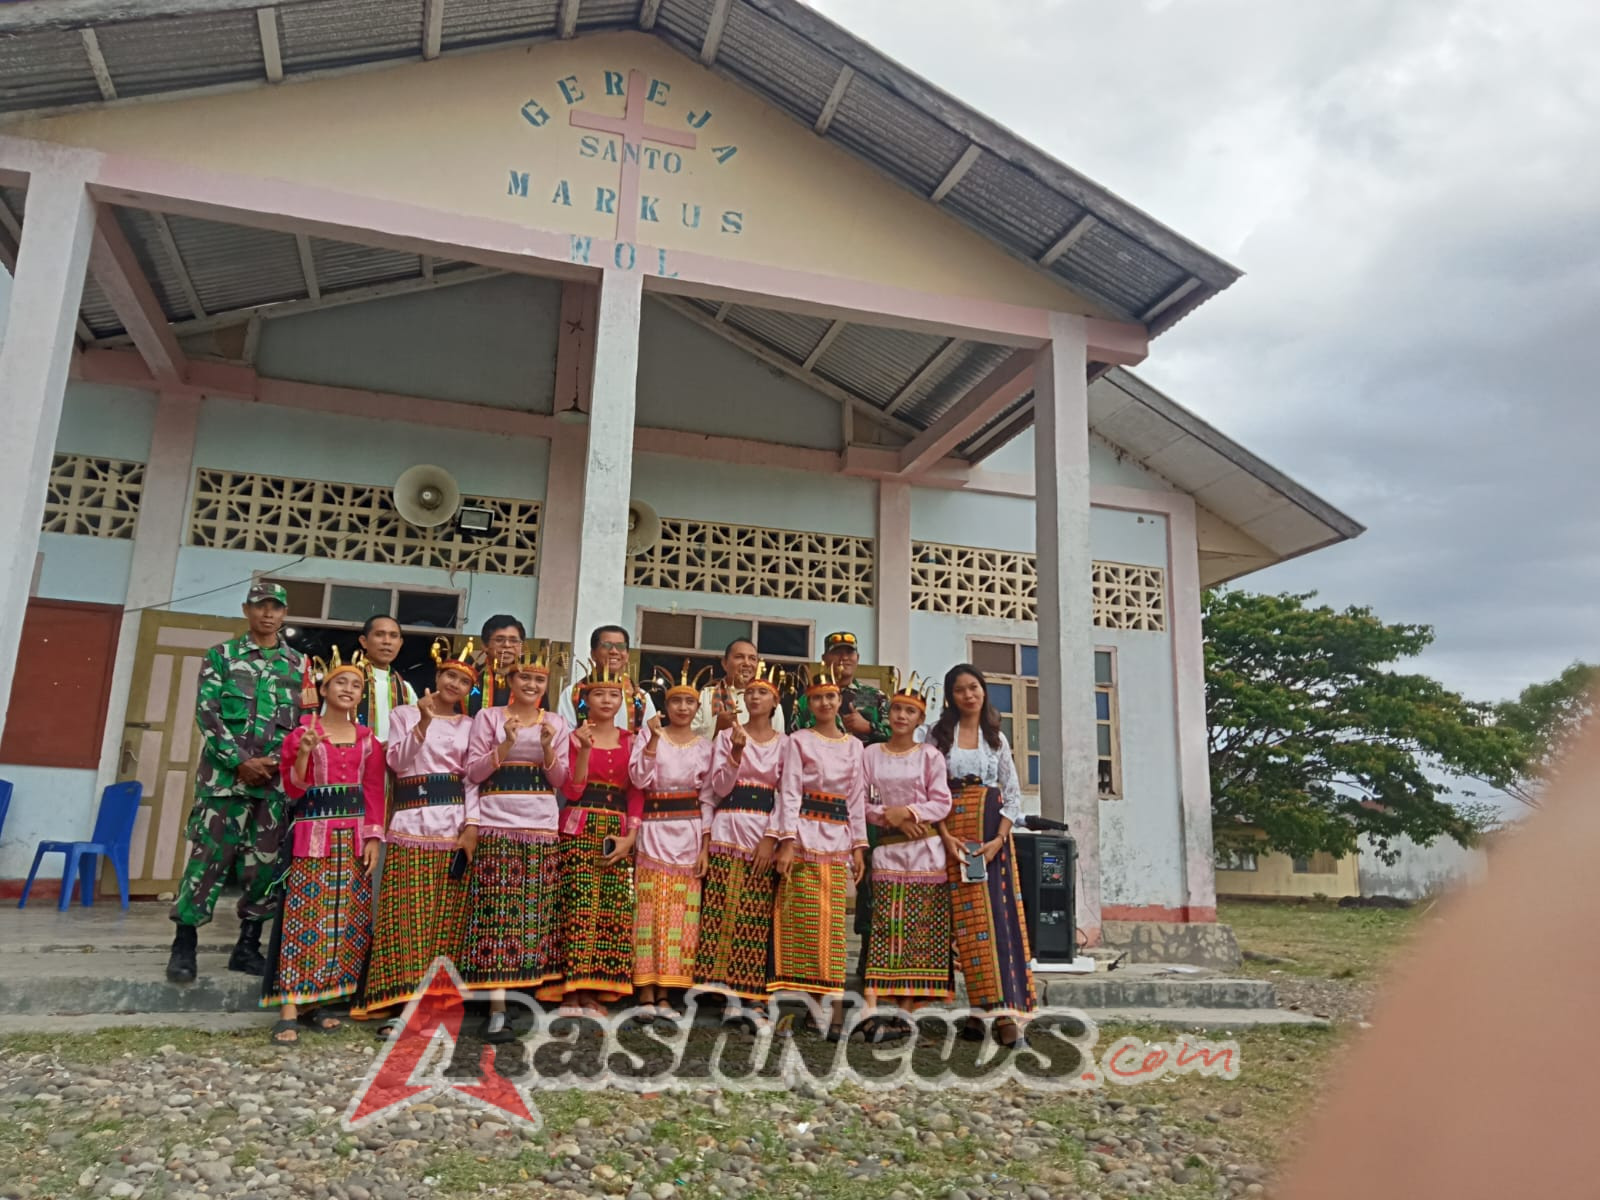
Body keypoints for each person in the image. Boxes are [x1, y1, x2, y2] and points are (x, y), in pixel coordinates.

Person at [166, 581, 312, 986]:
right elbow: (207, 715)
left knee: (263, 866)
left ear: (284, 614)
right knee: (207, 862)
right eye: (260, 606)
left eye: (276, 607)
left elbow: (305, 725)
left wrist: (275, 762)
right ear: (246, 610)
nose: (268, 614)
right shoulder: (222, 657)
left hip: (273, 784)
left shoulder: (300, 666)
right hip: (225, 782)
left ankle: (247, 945)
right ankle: (184, 945)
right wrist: (240, 761)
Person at [353, 639, 481, 1024]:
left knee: (446, 917)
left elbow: (472, 779)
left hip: (452, 821)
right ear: (437, 676)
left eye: (462, 681)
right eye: (449, 676)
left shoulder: (470, 725)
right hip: (410, 819)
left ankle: (436, 1001)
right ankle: (399, 997)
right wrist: (423, 724)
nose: (454, 684)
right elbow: (396, 761)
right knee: (404, 914)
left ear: (468, 690)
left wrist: (472, 825)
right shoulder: (405, 714)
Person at [261, 650, 385, 1043]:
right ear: (324, 688)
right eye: (341, 682)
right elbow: (293, 788)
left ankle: (319, 1003)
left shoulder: (369, 741)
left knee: (344, 920)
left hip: (353, 838)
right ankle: (289, 1008)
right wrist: (302, 753)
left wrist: (373, 838)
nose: (349, 689)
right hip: (313, 836)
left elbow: (374, 792)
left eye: (357, 685)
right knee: (304, 917)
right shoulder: (301, 735)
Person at [461, 647, 570, 1040]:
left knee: (531, 915)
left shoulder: (556, 722)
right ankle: (496, 1007)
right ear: (510, 680)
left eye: (539, 680)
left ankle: (522, 997)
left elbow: (561, 781)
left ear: (546, 685)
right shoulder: (488, 717)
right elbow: (472, 772)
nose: (531, 684)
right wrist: (504, 746)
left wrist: (545, 749)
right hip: (495, 823)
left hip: (540, 824)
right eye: (524, 677)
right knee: (497, 914)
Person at [928, 664, 1035, 1045]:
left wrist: (999, 840)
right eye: (960, 690)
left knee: (994, 923)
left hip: (989, 839)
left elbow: (1012, 791)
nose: (968, 695)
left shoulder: (996, 738)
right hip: (952, 835)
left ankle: (1002, 1014)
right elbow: (928, 787)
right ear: (950, 696)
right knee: (960, 926)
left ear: (984, 691)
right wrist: (943, 836)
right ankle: (977, 1011)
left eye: (974, 687)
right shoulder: (937, 736)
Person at [540, 661, 645, 1015]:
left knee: (611, 909)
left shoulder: (631, 740)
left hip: (616, 827)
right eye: (599, 693)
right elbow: (571, 787)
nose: (606, 700)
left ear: (622, 700)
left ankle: (598, 989)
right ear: (585, 699)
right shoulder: (573, 738)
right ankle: (569, 990)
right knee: (576, 905)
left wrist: (631, 835)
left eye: (613, 694)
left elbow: (636, 792)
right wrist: (583, 750)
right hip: (579, 824)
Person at [771, 664, 867, 1038]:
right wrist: (787, 840)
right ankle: (813, 1007)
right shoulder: (799, 741)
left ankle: (832, 1009)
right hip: (805, 838)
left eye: (831, 696)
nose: (825, 702)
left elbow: (856, 799)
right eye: (818, 698)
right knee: (805, 926)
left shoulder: (855, 746)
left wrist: (859, 846)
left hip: (838, 841)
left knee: (834, 929)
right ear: (809, 703)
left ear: (840, 700)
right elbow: (790, 791)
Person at [859, 675, 954, 1040]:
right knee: (884, 927)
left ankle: (906, 1012)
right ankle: (869, 1008)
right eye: (897, 709)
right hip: (888, 851)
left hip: (925, 852)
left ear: (920, 719)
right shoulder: (871, 755)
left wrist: (910, 813)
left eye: (909, 711)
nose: (901, 716)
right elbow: (860, 803)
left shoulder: (929, 756)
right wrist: (890, 815)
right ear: (888, 714)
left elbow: (941, 801)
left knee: (920, 931)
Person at [695, 661, 787, 1017]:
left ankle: (753, 993)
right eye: (750, 692)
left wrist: (773, 837)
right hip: (727, 826)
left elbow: (787, 793)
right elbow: (716, 788)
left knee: (755, 914)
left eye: (762, 691)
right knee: (722, 910)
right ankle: (725, 993)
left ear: (775, 700)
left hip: (761, 828)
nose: (755, 697)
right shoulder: (725, 736)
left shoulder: (784, 743)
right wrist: (735, 753)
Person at [628, 664, 714, 1027]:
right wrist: (650, 741)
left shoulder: (705, 747)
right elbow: (637, 778)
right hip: (654, 827)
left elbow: (708, 796)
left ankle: (668, 991)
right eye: (676, 700)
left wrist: (706, 845)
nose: (682, 708)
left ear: (697, 709)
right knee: (649, 911)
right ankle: (645, 990)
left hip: (688, 830)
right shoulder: (649, 737)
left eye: (688, 702)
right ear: (665, 704)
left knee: (681, 914)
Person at [788, 631, 888, 743]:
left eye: (850, 653)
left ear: (857, 658)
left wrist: (869, 727)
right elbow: (792, 740)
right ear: (824, 659)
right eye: (837, 652)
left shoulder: (871, 696)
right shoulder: (809, 698)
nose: (844, 657)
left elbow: (898, 737)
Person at [558, 624, 656, 732]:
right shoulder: (573, 693)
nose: (614, 651)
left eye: (621, 646)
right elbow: (564, 737)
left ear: (627, 655)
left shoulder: (641, 697)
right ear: (593, 653)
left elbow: (649, 737)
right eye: (606, 645)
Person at [690, 638, 785, 740]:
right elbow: (688, 743)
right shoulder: (704, 697)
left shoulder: (768, 701)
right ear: (724, 663)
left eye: (752, 658)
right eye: (739, 657)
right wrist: (717, 728)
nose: (747, 663)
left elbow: (778, 745)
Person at [354, 615, 417, 740]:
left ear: (400, 643)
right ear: (364, 641)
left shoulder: (405, 688)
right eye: (379, 634)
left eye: (393, 636)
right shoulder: (347, 680)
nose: (387, 641)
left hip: (393, 757)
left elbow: (414, 731)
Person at [468, 615, 525, 716]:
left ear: (521, 648)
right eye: (499, 640)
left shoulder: (529, 681)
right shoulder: (471, 677)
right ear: (485, 646)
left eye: (513, 640)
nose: (507, 645)